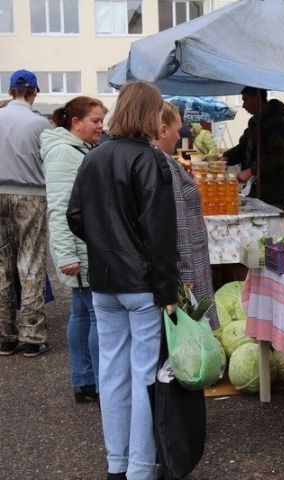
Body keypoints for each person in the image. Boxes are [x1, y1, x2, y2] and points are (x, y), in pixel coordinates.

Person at [67, 81, 179, 480]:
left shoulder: (93, 157)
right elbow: (161, 233)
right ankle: (140, 468)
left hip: (104, 281)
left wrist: (105, 245)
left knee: (112, 374)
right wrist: (168, 290)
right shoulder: (150, 160)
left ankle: (118, 464)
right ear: (151, 114)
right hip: (142, 283)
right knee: (144, 376)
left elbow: (75, 216)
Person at [40, 96, 106, 403]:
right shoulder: (65, 154)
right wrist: (66, 255)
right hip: (79, 249)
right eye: (95, 121)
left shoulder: (76, 149)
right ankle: (100, 382)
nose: (100, 127)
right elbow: (60, 208)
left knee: (81, 312)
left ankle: (86, 381)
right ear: (75, 123)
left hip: (83, 245)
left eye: (102, 121)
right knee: (95, 316)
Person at [0, 69, 52, 357]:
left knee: (1, 264)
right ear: (35, 92)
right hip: (31, 195)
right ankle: (31, 336)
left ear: (9, 92)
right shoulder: (40, 124)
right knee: (30, 263)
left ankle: (4, 336)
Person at [155, 101, 219, 328]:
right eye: (177, 130)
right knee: (194, 326)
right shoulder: (164, 164)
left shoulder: (162, 160)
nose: (178, 136)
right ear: (162, 130)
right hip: (189, 259)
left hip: (190, 258)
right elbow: (179, 221)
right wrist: (186, 274)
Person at [222, 86, 284, 210]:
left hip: (275, 192)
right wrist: (227, 158)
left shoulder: (277, 123)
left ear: (257, 98)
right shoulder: (255, 122)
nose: (243, 105)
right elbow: (243, 147)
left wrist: (251, 170)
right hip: (259, 190)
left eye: (245, 100)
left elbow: (278, 156)